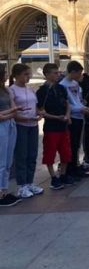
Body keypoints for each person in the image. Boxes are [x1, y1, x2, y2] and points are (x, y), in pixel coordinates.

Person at [36, 63, 74, 190]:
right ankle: (53, 177)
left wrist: (67, 115)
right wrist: (56, 117)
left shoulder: (61, 88)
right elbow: (41, 111)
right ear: (47, 74)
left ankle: (63, 174)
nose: (58, 75)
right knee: (50, 153)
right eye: (55, 73)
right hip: (51, 127)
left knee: (66, 152)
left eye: (58, 72)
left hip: (63, 126)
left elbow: (67, 103)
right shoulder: (42, 91)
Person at [9, 63, 43, 199]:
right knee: (21, 155)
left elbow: (36, 106)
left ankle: (30, 182)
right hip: (20, 125)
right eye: (25, 74)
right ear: (17, 76)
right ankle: (21, 184)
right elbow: (12, 110)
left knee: (32, 154)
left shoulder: (30, 89)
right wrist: (22, 118)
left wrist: (39, 113)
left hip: (33, 125)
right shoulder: (12, 90)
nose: (28, 77)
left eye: (29, 74)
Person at [61, 61, 89, 178]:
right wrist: (80, 109)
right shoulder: (63, 85)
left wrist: (84, 107)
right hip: (72, 117)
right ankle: (70, 169)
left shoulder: (75, 84)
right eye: (79, 73)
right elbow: (67, 103)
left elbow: (78, 99)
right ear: (73, 72)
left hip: (80, 115)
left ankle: (76, 165)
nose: (81, 75)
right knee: (72, 144)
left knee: (77, 144)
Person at [0, 65, 22, 207]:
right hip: (2, 126)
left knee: (8, 161)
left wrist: (12, 112)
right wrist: (11, 112)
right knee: (1, 161)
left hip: (10, 124)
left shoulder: (6, 90)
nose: (7, 76)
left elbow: (13, 109)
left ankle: (4, 190)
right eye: (4, 73)